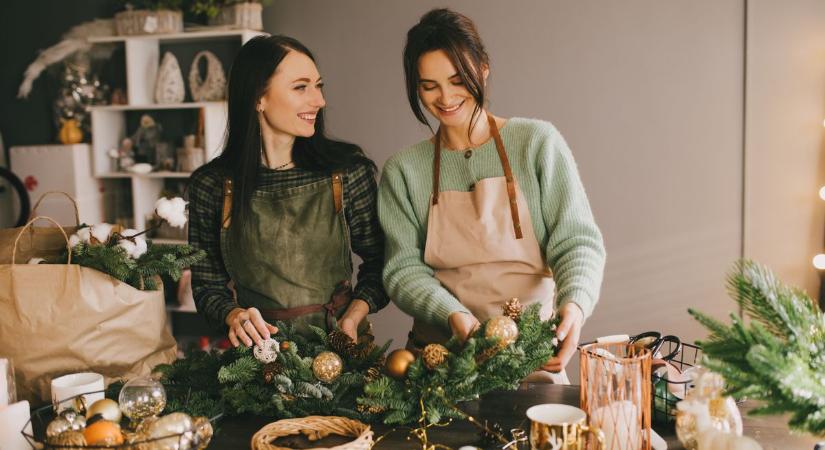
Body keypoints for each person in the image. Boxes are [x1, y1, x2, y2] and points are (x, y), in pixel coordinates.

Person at [378, 9, 606, 382]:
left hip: (529, 359)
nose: (446, 97)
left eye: (458, 79)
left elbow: (577, 240)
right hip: (439, 361)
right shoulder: (404, 170)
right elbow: (402, 269)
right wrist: (455, 316)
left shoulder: (536, 143)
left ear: (483, 68)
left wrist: (575, 307)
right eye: (429, 85)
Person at [188, 35, 388, 348]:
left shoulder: (347, 171)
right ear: (258, 97)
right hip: (258, 360)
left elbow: (381, 263)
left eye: (318, 86)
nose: (319, 100)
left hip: (340, 352)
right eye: (301, 87)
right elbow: (207, 286)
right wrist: (233, 315)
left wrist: (352, 318)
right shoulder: (212, 185)